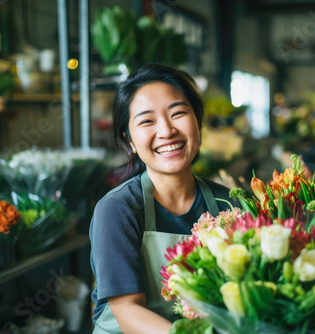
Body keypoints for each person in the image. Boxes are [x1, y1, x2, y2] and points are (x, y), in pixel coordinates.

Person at [89, 63, 239, 334]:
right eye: (147, 121)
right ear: (130, 140)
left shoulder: (232, 205)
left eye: (178, 113)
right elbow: (127, 310)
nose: (167, 131)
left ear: (197, 122)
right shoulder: (116, 210)